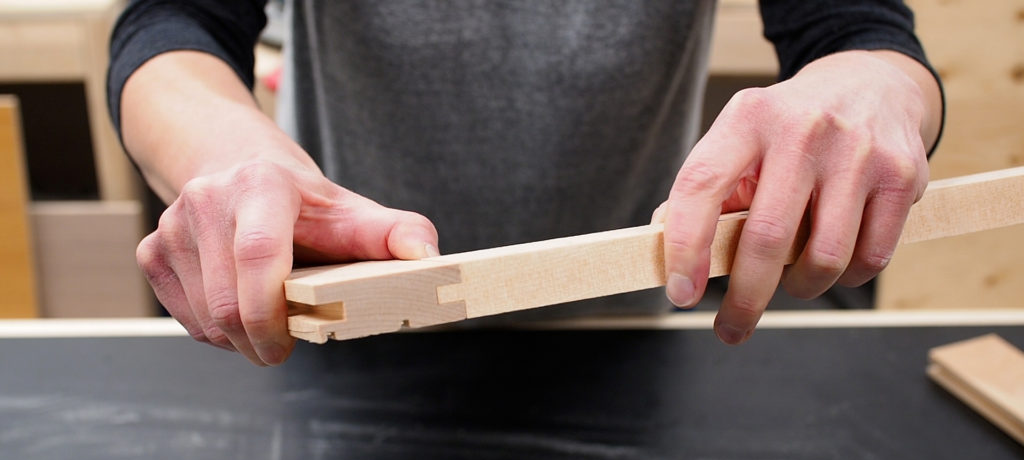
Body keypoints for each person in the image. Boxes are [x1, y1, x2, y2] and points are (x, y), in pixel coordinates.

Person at [107, 1, 944, 367]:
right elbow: (171, 23)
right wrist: (227, 155)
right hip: (344, 344)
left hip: (637, 340)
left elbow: (859, 29)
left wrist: (880, 84)